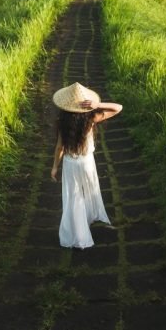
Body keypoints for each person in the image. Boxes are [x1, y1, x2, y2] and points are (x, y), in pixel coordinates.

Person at [50, 82, 123, 248]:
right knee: (90, 191)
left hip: (70, 164)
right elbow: (118, 107)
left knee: (73, 198)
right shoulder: (91, 118)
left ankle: (79, 235)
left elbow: (60, 147)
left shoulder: (63, 122)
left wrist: (55, 166)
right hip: (87, 162)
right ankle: (88, 219)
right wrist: (98, 105)